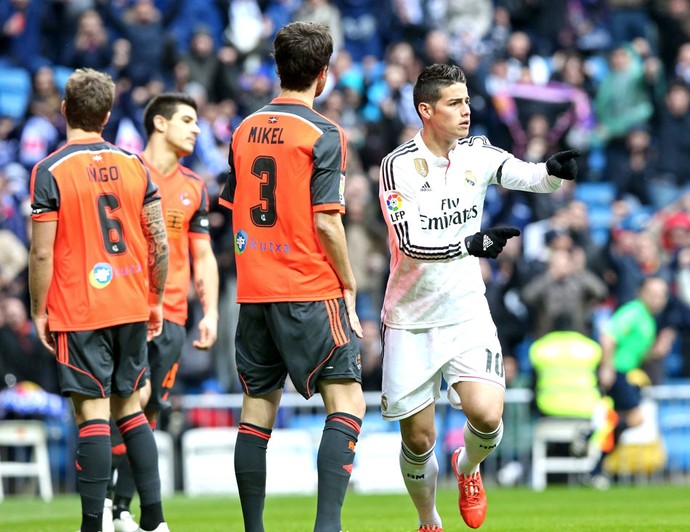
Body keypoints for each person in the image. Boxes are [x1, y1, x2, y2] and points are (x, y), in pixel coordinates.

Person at [378, 63, 581, 531]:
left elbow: (526, 175)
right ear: (426, 110)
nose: (466, 111)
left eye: (467, 101)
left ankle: (467, 468)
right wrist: (468, 246)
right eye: (454, 103)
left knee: (488, 416)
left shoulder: (478, 152)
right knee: (419, 437)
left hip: (467, 310)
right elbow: (410, 243)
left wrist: (553, 173)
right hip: (411, 319)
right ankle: (428, 517)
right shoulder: (397, 166)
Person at [218, 21, 366, 532]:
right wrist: (348, 281)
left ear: (277, 68)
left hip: (255, 291)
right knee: (346, 400)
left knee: (257, 405)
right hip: (308, 287)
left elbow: (233, 204)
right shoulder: (324, 133)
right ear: (322, 76)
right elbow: (327, 219)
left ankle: (254, 529)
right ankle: (327, 527)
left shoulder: (241, 130)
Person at [28, 68, 170, 532]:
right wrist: (155, 299)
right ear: (107, 116)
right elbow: (159, 241)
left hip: (79, 307)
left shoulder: (49, 171)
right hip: (131, 303)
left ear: (65, 109)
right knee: (131, 408)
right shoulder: (135, 164)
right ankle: (154, 520)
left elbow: (41, 251)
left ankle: (93, 525)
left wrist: (37, 309)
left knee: (91, 413)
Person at [106, 92, 220, 532]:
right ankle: (121, 508)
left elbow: (203, 255)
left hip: (172, 313)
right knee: (134, 400)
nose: (196, 128)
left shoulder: (194, 187)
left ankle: (120, 508)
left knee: (149, 412)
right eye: (187, 120)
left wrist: (208, 312)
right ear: (159, 123)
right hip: (129, 309)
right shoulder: (125, 174)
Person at [587, 275, 670, 489]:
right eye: (653, 294)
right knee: (636, 418)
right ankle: (590, 435)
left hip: (625, 372)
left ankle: (595, 461)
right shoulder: (633, 312)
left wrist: (656, 352)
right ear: (641, 293)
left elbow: (636, 352)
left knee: (624, 421)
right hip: (617, 371)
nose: (657, 299)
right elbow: (608, 335)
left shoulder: (648, 320)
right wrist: (607, 367)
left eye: (661, 295)